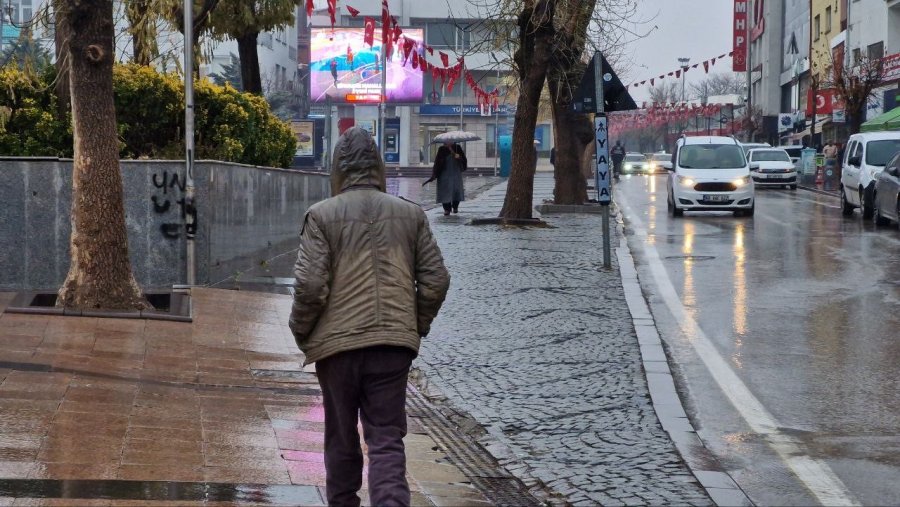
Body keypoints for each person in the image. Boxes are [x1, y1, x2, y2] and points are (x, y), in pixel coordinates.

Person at [290, 127, 451, 507]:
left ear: (338, 169)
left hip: (337, 349)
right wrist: (415, 325)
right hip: (391, 349)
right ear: (378, 166)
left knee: (341, 437)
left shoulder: (321, 216)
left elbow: (310, 286)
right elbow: (436, 280)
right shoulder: (409, 215)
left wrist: (303, 332)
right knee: (386, 438)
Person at [425, 142, 467, 216]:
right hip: (444, 173)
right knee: (445, 191)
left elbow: (464, 160)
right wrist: (434, 174)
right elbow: (437, 162)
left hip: (455, 173)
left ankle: (455, 207)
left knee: (456, 190)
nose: (448, 142)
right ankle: (447, 209)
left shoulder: (457, 148)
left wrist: (458, 156)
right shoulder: (441, 149)